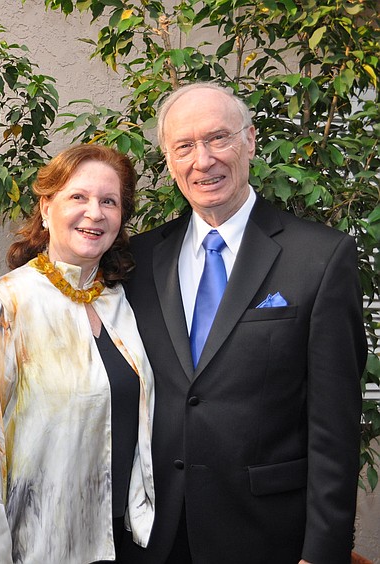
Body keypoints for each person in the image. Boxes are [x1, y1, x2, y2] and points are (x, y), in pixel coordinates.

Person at [121, 82, 367, 563]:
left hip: (267, 536)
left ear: (250, 140)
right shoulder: (140, 259)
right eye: (184, 147)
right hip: (152, 536)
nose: (203, 160)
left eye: (218, 138)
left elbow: (335, 430)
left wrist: (321, 553)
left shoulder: (319, 257)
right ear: (169, 162)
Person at [0, 144, 156, 563]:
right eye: (78, 197)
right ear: (46, 207)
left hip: (125, 539)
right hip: (39, 545)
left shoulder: (121, 303)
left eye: (109, 201)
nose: (95, 213)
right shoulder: (2, 306)